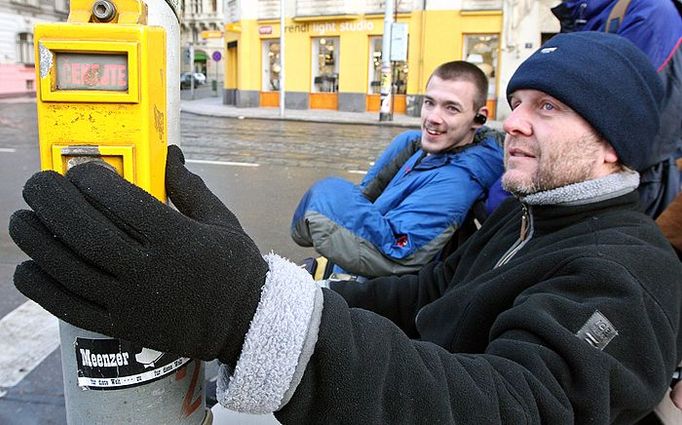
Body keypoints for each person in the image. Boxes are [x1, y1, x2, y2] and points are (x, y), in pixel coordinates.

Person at [9, 32, 682, 424]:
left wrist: (245, 312)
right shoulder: (528, 215)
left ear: (613, 144)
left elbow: (505, 407)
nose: (514, 122)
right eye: (516, 102)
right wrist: (266, 285)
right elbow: (425, 294)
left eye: (548, 106)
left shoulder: (629, 270)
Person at [291, 61, 504, 277]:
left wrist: (321, 200)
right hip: (347, 272)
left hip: (364, 294)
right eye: (429, 103)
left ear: (479, 117)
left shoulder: (456, 181)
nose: (433, 118)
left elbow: (394, 252)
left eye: (451, 108)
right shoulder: (417, 146)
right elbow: (369, 202)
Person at [551, 0, 682, 218]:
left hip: (634, 182)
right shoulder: (581, 14)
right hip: (597, 179)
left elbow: (616, 106)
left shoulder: (651, 12)